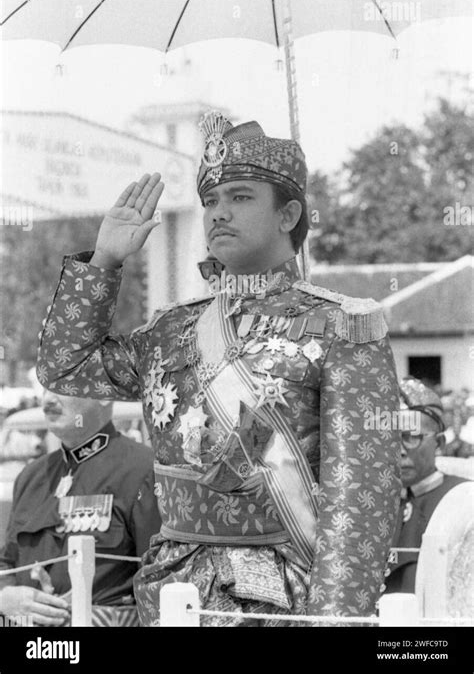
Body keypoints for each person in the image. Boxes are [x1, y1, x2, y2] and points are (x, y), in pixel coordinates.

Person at [36, 112, 400, 626]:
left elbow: (361, 503)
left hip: (282, 598)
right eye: (211, 200)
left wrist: (334, 622)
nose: (218, 214)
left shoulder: (340, 326)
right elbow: (64, 369)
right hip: (169, 589)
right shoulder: (171, 329)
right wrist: (104, 262)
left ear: (289, 213)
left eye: (241, 197)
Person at [0, 391, 161, 626]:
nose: (48, 400)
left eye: (62, 388)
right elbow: (7, 562)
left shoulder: (143, 470)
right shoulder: (31, 477)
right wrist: (5, 597)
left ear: (103, 395)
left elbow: (160, 579)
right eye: (45, 389)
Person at [384, 378, 469, 595]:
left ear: (439, 444)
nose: (399, 450)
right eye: (390, 438)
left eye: (411, 437)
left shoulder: (463, 499)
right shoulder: (374, 501)